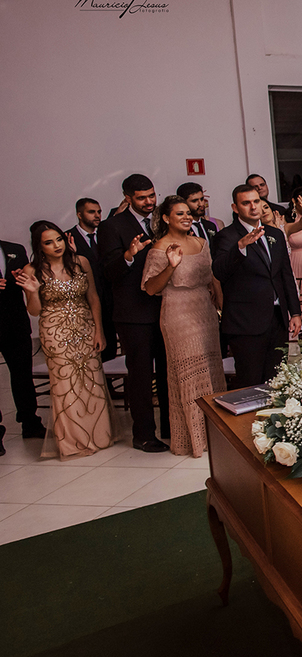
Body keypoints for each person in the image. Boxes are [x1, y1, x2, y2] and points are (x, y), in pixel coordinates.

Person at [15, 222, 114, 460]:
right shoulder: (32, 270)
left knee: (91, 381)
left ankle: (98, 436)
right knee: (65, 385)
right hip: (54, 333)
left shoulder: (80, 262)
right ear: (39, 246)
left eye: (58, 239)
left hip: (85, 327)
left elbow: (93, 298)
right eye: (48, 242)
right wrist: (32, 291)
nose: (56, 245)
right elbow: (34, 311)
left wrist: (99, 331)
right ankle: (72, 442)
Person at [140, 196, 225, 457]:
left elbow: (212, 278)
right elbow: (150, 288)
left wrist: (221, 306)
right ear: (166, 218)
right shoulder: (159, 247)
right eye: (180, 214)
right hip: (178, 313)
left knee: (211, 370)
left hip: (205, 311)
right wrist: (170, 265)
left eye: (188, 213)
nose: (187, 217)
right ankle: (195, 439)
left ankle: (218, 434)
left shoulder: (200, 242)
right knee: (188, 373)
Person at [98, 173, 170, 453]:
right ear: (127, 198)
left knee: (167, 372)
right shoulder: (112, 226)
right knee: (140, 376)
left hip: (165, 308)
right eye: (141, 198)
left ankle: (170, 426)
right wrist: (128, 255)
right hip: (133, 313)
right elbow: (107, 271)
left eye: (152, 195)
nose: (149, 202)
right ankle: (143, 434)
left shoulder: (161, 221)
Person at [211, 184, 302, 389]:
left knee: (276, 381)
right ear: (235, 208)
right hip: (246, 323)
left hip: (277, 318)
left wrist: (295, 312)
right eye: (246, 203)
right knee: (250, 381)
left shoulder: (275, 234)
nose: (253, 207)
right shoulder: (226, 237)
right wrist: (240, 247)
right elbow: (219, 271)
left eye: (256, 201)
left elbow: (285, 275)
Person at [1, 236, 44, 449]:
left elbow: (26, 283)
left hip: (15, 323)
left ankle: (30, 421)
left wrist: (21, 278)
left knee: (23, 376)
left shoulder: (15, 249)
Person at [68, 197, 119, 363]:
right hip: (84, 300)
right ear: (79, 214)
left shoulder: (106, 234)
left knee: (110, 347)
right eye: (91, 212)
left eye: (99, 212)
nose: (97, 215)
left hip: (110, 299)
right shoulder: (68, 238)